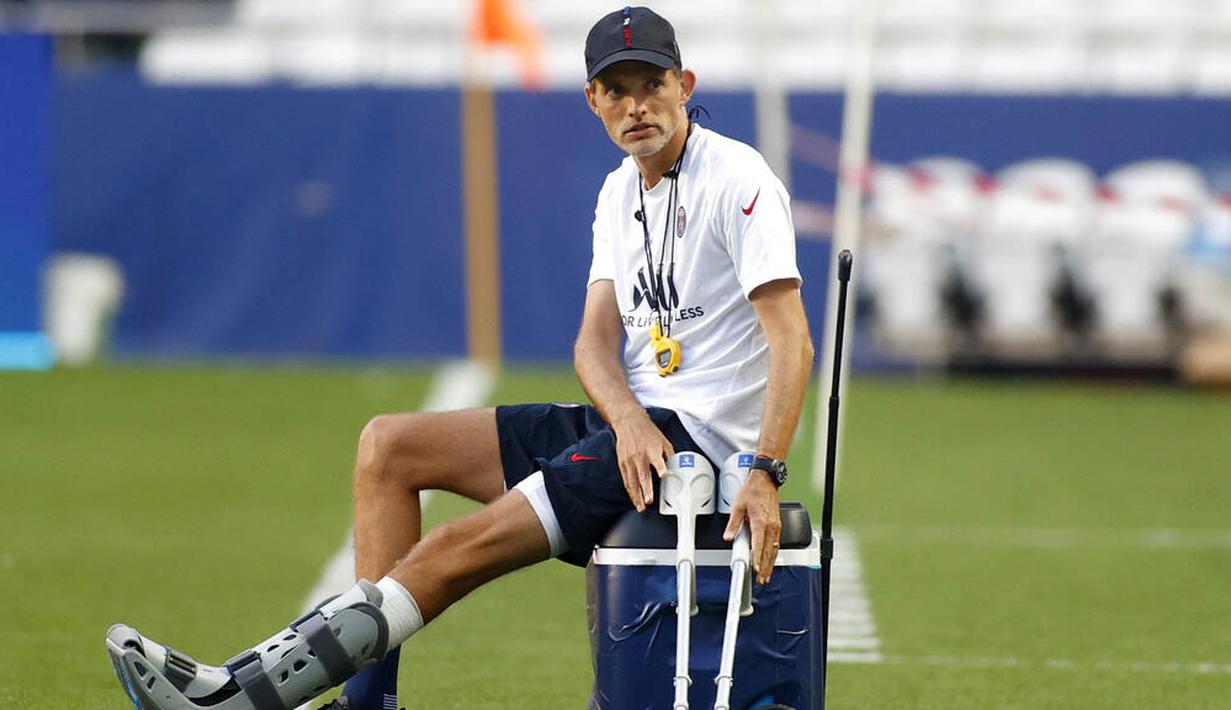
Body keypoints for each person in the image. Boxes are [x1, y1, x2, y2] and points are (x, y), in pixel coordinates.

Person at [104, 7, 814, 710]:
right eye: (616, 89)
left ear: (684, 84)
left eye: (651, 84)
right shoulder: (616, 191)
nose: (636, 106)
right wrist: (625, 418)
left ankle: (234, 699)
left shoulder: (737, 178)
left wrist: (761, 470)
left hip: (700, 452)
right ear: (592, 101)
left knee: (455, 547)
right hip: (641, 433)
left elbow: (792, 340)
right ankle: (368, 702)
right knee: (389, 446)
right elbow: (592, 343)